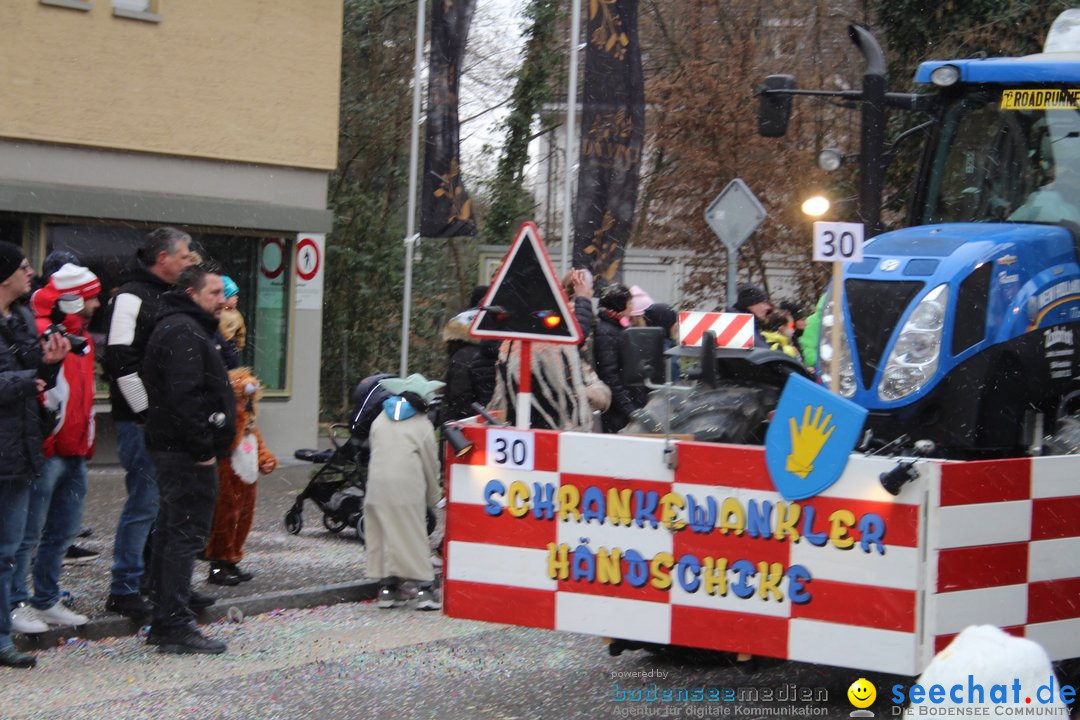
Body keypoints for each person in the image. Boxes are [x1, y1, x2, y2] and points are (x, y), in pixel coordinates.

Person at [142, 265, 235, 653]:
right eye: (214, 293)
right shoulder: (182, 331)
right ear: (192, 292)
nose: (222, 301)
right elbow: (185, 396)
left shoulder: (183, 327)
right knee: (183, 535)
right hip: (184, 454)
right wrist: (202, 450)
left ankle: (166, 616)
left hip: (176, 449)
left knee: (171, 531)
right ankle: (174, 624)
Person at [103, 227, 193, 618]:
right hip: (143, 422)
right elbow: (119, 359)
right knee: (145, 503)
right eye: (185, 255)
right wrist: (146, 411)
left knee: (164, 506)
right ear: (163, 258)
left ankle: (156, 582)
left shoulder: (168, 297)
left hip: (166, 422)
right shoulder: (130, 296)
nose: (191, 261)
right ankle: (124, 586)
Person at [9, 264, 102, 636]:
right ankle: (17, 600)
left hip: (75, 449)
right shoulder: (39, 330)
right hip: (48, 450)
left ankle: (45, 598)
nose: (97, 302)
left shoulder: (83, 338)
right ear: (73, 298)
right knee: (26, 534)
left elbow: (84, 395)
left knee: (61, 531)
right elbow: (43, 390)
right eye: (92, 296)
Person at [0, 244, 69, 669]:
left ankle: (2, 633)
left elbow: (34, 378)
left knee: (10, 548)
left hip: (20, 448)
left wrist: (49, 364)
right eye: (23, 266)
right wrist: (31, 379)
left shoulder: (21, 318)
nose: (31, 272)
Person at [366, 374, 443, 611]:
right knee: (412, 534)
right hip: (407, 485)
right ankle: (425, 589)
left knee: (384, 535)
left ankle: (387, 588)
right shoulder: (422, 425)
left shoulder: (380, 419)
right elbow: (431, 464)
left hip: (377, 484)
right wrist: (434, 495)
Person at [204, 367, 277, 586]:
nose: (244, 406)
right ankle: (217, 564)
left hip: (248, 478)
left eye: (247, 402)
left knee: (243, 520)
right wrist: (238, 420)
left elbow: (259, 445)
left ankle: (233, 559)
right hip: (229, 476)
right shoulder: (227, 421)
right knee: (224, 520)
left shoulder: (251, 425)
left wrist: (266, 459)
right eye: (241, 401)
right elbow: (229, 442)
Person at [593, 284, 647, 433]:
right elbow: (610, 375)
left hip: (621, 407)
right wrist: (629, 409)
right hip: (616, 414)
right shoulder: (606, 332)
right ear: (619, 305)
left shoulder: (616, 328)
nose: (631, 307)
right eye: (629, 303)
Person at [437, 308, 497, 424]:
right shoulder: (496, 354)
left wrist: (448, 422)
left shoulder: (461, 358)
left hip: (468, 428)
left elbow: (459, 398)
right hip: (495, 421)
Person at [728, 284, 772, 348]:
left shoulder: (748, 325)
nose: (767, 308)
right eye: (764, 303)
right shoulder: (743, 328)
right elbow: (762, 351)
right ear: (751, 305)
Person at [218, 275, 246, 359]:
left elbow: (241, 332)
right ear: (224, 297)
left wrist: (239, 344)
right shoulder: (218, 314)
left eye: (236, 294)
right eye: (232, 295)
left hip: (231, 350)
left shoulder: (236, 313)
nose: (236, 298)